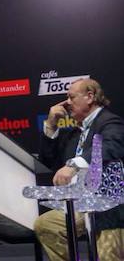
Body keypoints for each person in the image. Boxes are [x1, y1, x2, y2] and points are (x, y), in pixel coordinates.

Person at [34, 78, 124, 261]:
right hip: (79, 204)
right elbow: (48, 162)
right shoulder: (76, 134)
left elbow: (112, 146)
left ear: (90, 97)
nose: (67, 102)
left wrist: (75, 165)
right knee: (47, 224)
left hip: (110, 206)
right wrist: (51, 125)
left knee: (107, 257)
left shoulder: (109, 122)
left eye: (71, 97)